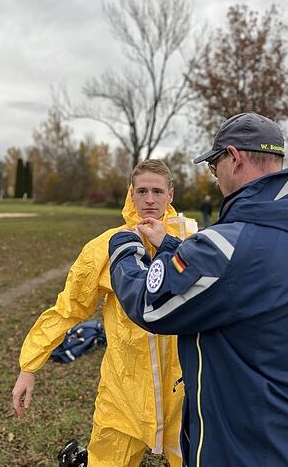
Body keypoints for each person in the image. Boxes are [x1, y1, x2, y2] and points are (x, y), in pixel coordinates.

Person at [108, 113, 288, 466]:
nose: (216, 178)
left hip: (258, 449)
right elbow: (240, 287)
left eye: (214, 167)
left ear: (235, 158)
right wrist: (170, 248)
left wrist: (124, 249)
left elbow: (151, 302)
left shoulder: (227, 247)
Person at [11, 159, 195, 467]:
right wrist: (29, 366)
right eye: (142, 190)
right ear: (131, 194)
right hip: (124, 392)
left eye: (157, 191)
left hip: (184, 391)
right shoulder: (106, 246)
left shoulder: (193, 239)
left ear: (170, 195)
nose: (150, 199)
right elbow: (68, 307)